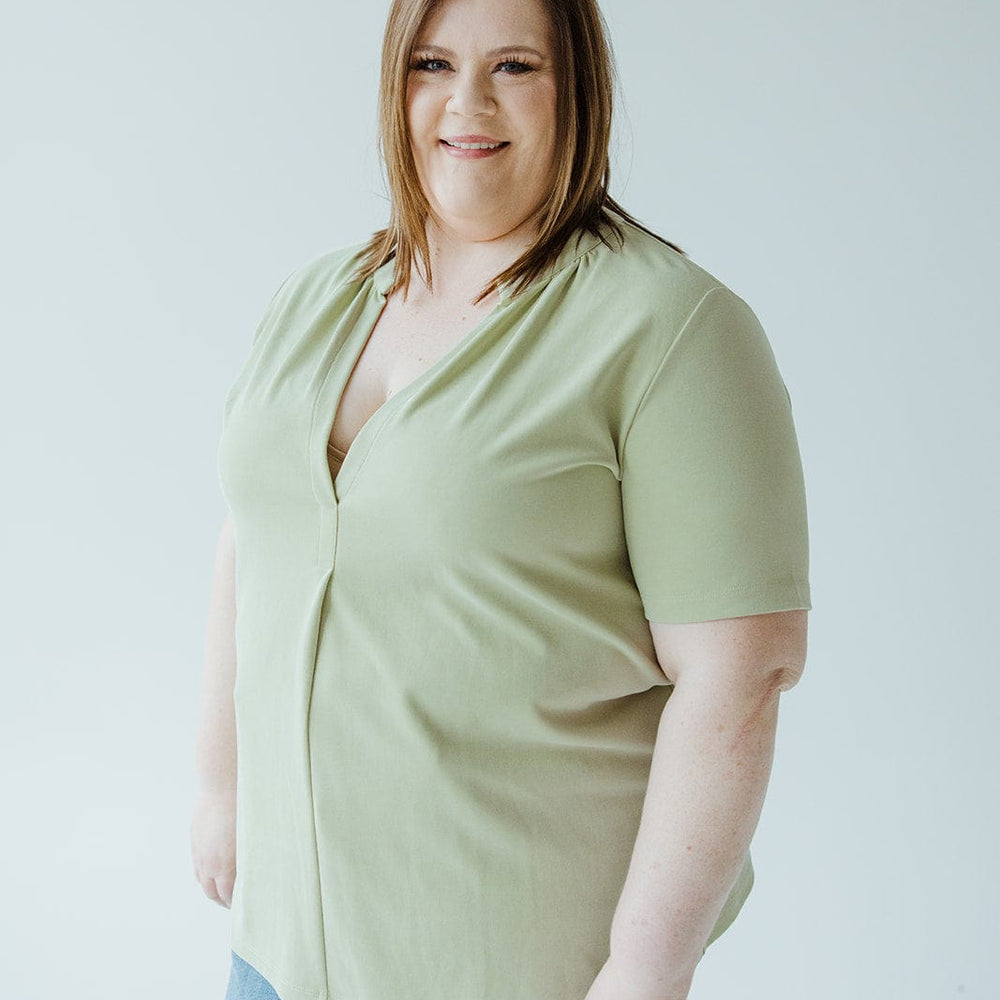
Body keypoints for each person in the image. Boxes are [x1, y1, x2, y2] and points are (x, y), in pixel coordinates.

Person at [190, 0, 811, 997]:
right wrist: (219, 782)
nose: (466, 101)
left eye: (515, 65)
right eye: (432, 61)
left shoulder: (670, 331)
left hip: (512, 958)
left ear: (579, 89)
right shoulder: (315, 300)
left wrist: (647, 968)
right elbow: (255, 536)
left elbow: (739, 669)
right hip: (280, 951)